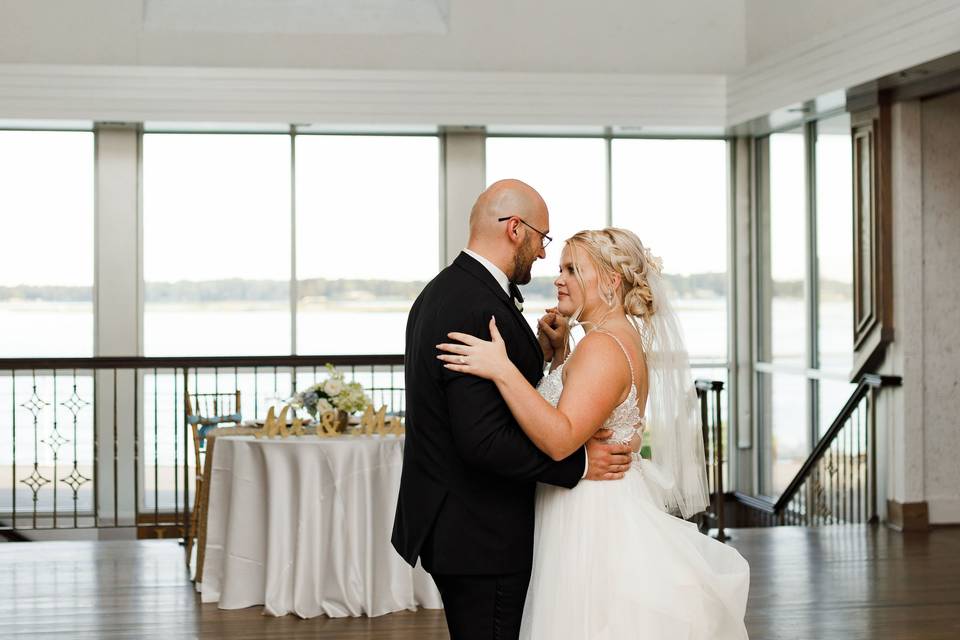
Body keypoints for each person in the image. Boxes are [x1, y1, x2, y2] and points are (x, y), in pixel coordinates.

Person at [437, 227, 751, 639]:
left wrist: (501, 368)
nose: (559, 277)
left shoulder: (603, 347)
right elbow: (589, 414)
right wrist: (560, 356)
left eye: (572, 269)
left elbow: (561, 438)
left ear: (610, 281)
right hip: (597, 502)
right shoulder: (615, 340)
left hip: (593, 518)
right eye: (561, 267)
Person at [391, 180, 633, 640]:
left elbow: (490, 402)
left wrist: (542, 355)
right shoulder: (475, 306)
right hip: (481, 532)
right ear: (516, 229)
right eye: (544, 240)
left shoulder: (449, 291)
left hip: (462, 524)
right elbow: (482, 439)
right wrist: (579, 464)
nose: (544, 257)